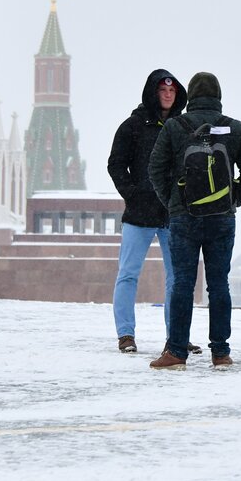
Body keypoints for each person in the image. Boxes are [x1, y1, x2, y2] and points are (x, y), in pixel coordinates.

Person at [147, 72, 241, 370]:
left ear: (191, 96)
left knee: (183, 284)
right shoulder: (234, 128)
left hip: (184, 218)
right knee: (219, 284)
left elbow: (155, 169)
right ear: (218, 96)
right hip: (222, 219)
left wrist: (174, 203)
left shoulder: (175, 126)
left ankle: (175, 353)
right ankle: (221, 353)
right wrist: (232, 199)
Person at [107, 69, 193, 355]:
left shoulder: (183, 127)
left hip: (174, 214)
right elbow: (116, 164)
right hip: (139, 214)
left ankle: (177, 336)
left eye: (172, 91)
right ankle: (125, 334)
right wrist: (132, 193)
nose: (168, 95)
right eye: (162, 90)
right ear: (153, 92)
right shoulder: (132, 126)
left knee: (177, 277)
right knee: (128, 274)